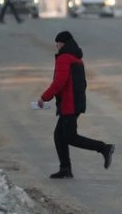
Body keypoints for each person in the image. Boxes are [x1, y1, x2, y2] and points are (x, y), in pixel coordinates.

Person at [37, 31, 115, 179]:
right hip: (74, 103)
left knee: (70, 137)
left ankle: (104, 148)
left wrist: (44, 97)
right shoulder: (76, 58)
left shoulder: (64, 58)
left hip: (69, 104)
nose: (56, 45)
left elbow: (59, 82)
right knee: (59, 136)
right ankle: (65, 168)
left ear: (63, 43)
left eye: (58, 42)